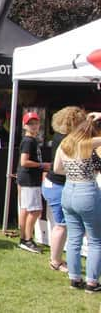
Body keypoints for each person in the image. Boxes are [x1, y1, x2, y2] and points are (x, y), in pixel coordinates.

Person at [54, 113, 101, 292]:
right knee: (96, 240)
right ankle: (92, 282)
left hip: (68, 191)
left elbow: (57, 168)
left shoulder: (64, 143)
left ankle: (75, 279)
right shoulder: (88, 143)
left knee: (74, 239)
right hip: (86, 191)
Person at [42, 106, 87, 272]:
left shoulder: (60, 136)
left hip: (54, 184)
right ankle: (55, 261)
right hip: (58, 185)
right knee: (61, 225)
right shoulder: (67, 139)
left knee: (63, 224)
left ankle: (57, 258)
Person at [17, 111, 50, 254]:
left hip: (28, 178)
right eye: (31, 124)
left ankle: (24, 238)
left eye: (36, 123)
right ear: (25, 126)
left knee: (26, 209)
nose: (34, 126)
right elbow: (24, 161)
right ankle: (27, 240)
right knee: (35, 210)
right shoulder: (28, 141)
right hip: (29, 179)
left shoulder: (31, 140)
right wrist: (42, 165)